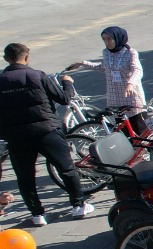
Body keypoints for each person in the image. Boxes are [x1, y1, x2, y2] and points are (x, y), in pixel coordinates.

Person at [0, 42, 93, 225]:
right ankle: (78, 205)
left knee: (25, 176)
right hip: (46, 131)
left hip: (16, 135)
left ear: (6, 59)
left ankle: (37, 215)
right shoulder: (37, 76)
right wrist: (67, 83)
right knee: (66, 168)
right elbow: (63, 99)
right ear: (27, 57)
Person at [97, 26, 146, 109]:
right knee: (118, 121)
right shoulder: (106, 52)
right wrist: (82, 64)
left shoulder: (130, 53)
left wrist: (131, 84)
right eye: (104, 39)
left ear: (117, 38)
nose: (106, 42)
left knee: (135, 122)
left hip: (130, 97)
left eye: (109, 39)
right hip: (113, 98)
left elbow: (137, 70)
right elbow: (103, 67)